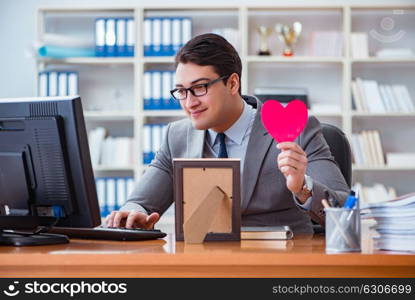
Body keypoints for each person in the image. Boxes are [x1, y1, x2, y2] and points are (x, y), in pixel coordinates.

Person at [105, 33, 350, 233]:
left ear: (232, 83)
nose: (189, 102)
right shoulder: (177, 136)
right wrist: (133, 212)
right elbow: (141, 202)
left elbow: (346, 214)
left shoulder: (296, 128)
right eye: (181, 91)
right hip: (203, 268)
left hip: (279, 267)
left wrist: (302, 187)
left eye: (199, 88)